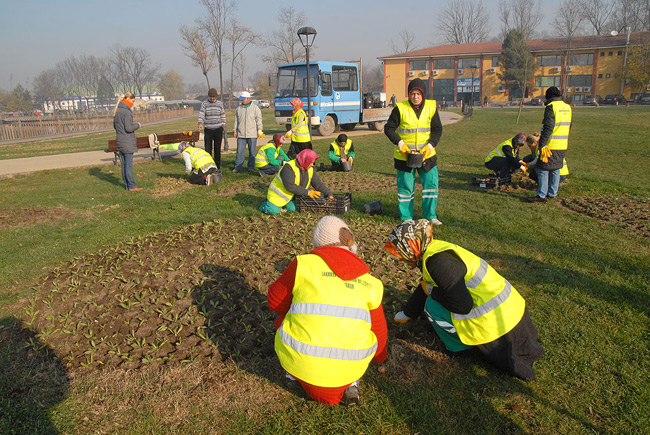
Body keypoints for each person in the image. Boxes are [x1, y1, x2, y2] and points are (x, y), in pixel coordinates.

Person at [384, 219, 544, 380]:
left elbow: (462, 305)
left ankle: (460, 348)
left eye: (400, 253)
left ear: (412, 246)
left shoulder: (438, 263)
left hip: (498, 331)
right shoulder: (435, 250)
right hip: (513, 313)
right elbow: (425, 285)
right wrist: (407, 313)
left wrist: (433, 292)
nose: (400, 260)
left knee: (431, 307)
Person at [268, 215, 387, 405]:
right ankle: (350, 384)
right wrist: (379, 357)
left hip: (301, 365)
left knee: (285, 312)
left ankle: (292, 374)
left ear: (318, 244)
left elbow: (275, 302)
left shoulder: (304, 264)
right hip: (351, 367)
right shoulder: (370, 282)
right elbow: (379, 328)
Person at [384, 78, 444, 225]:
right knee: (405, 187)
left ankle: (430, 216)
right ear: (409, 94)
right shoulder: (400, 108)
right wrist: (400, 143)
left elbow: (437, 129)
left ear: (423, 95)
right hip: (405, 155)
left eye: (418, 93)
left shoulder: (431, 107)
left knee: (431, 185)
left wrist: (431, 145)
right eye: (412, 93)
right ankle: (406, 217)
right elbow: (389, 128)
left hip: (427, 154)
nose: (415, 96)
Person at [528, 86, 572, 202]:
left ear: (549, 97)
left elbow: (548, 127)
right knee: (556, 169)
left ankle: (541, 195)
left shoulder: (551, 107)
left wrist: (542, 144)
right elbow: (569, 126)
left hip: (550, 145)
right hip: (562, 144)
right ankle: (552, 193)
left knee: (542, 169)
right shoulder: (567, 107)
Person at [259, 149, 333, 215]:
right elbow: (290, 186)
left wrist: (329, 194)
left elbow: (318, 184)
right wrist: (308, 192)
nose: (312, 165)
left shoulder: (309, 169)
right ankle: (266, 205)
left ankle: (283, 206)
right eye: (311, 162)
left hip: (291, 197)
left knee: (293, 209)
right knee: (273, 211)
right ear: (305, 161)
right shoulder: (288, 167)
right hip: (277, 196)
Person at [112, 92, 142, 191]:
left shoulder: (118, 110)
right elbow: (129, 128)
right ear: (128, 99)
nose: (133, 104)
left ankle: (127, 185)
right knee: (128, 165)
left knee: (124, 165)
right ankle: (132, 186)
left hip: (120, 140)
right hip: (127, 141)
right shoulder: (127, 112)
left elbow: (115, 126)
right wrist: (137, 125)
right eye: (133, 101)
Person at [233, 91, 264, 173]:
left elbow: (259, 120)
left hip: (252, 134)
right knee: (240, 152)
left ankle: (250, 167)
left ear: (248, 99)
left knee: (252, 152)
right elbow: (236, 120)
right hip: (241, 134)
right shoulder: (238, 109)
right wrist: (235, 130)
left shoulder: (255, 108)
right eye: (241, 99)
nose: (242, 101)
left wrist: (259, 129)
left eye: (243, 99)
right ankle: (238, 167)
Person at [198, 88, 226, 169]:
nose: (212, 98)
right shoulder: (204, 104)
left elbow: (223, 115)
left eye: (214, 97)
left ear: (216, 96)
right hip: (208, 129)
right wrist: (200, 123)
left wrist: (223, 126)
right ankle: (209, 166)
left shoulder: (220, 104)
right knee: (208, 149)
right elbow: (201, 114)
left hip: (218, 129)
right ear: (209, 96)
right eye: (211, 97)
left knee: (217, 149)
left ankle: (217, 166)